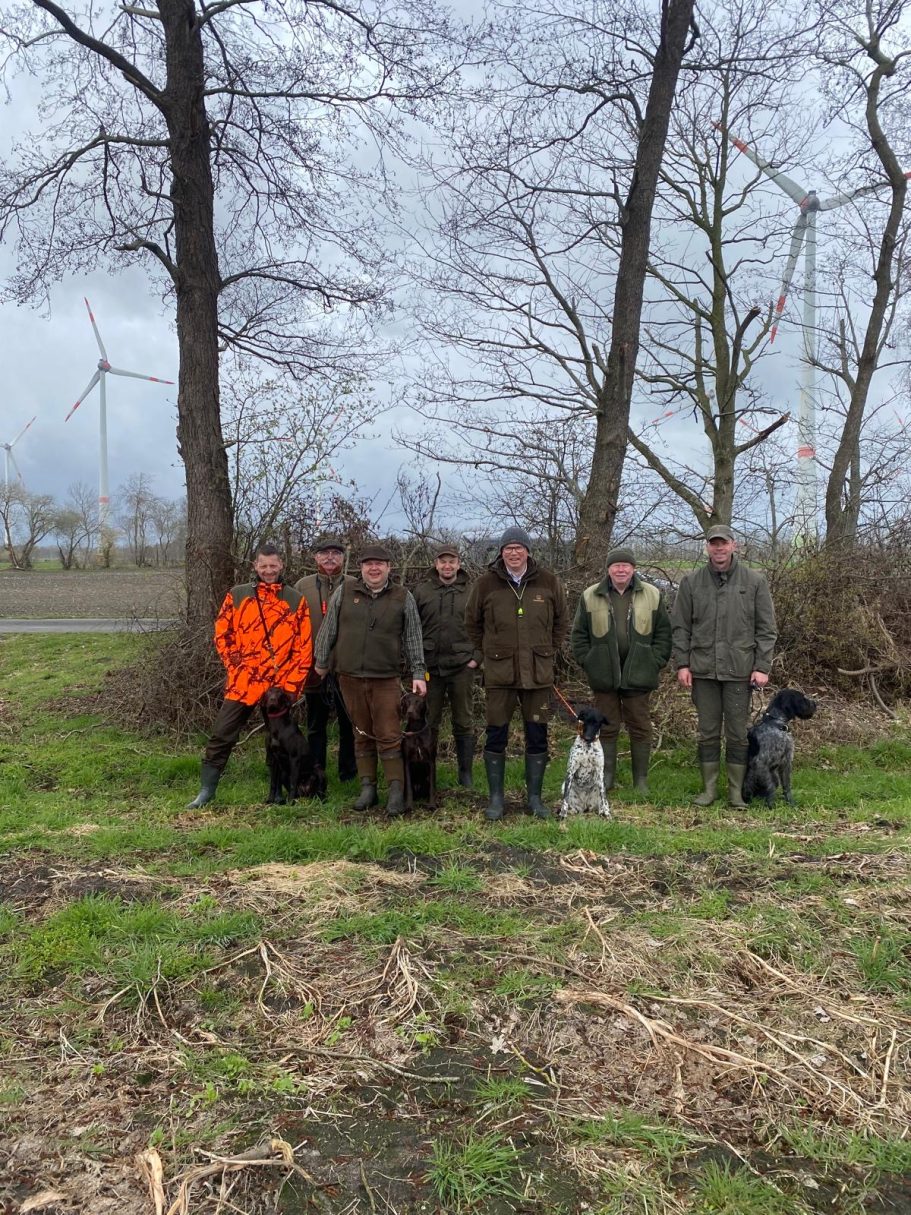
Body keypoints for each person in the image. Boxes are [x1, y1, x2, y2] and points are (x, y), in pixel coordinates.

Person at [187, 543, 313, 808]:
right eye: (263, 565)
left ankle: (278, 790)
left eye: (273, 565)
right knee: (222, 733)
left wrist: (290, 687)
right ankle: (207, 790)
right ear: (255, 566)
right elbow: (223, 634)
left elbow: (303, 648)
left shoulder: (294, 599)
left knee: (279, 739)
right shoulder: (238, 595)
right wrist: (237, 667)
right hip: (244, 682)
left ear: (281, 565)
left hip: (278, 687)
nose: (268, 570)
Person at [314, 544, 426, 816]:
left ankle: (396, 790)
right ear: (361, 568)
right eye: (368, 564)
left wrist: (418, 673)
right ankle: (368, 789)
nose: (373, 568)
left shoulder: (403, 596)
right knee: (361, 733)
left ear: (389, 567)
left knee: (389, 734)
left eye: (379, 564)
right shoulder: (345, 591)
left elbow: (413, 637)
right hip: (349, 676)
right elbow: (329, 629)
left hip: (385, 678)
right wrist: (321, 661)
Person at [465, 526, 568, 821]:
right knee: (496, 733)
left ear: (527, 551)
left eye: (518, 548)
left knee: (538, 734)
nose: (513, 553)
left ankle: (534, 798)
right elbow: (471, 623)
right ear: (501, 552)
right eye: (508, 548)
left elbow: (561, 621)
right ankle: (496, 799)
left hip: (538, 674)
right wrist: (488, 651)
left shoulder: (548, 581)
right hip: (500, 675)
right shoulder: (485, 584)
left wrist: (548, 649)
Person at [671, 524, 777, 807]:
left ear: (733, 545)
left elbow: (766, 629)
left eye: (723, 543)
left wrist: (762, 666)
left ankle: (735, 792)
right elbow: (680, 628)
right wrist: (682, 664)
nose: (719, 548)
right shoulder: (691, 582)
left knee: (737, 733)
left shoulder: (754, 581)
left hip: (739, 670)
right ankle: (709, 790)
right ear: (707, 547)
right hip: (703, 669)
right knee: (707, 731)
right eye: (713, 544)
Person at [571, 547, 672, 796]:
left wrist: (654, 660)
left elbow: (663, 633)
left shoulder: (652, 594)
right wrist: (589, 661)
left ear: (633, 568)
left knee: (640, 725)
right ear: (608, 569)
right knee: (606, 726)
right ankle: (606, 778)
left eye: (626, 565)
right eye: (616, 565)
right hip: (604, 675)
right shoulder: (590, 595)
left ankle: (641, 781)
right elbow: (579, 635)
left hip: (639, 674)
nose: (621, 569)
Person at [412, 543, 480, 788]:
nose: (447, 566)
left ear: (459, 564)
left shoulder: (472, 591)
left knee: (463, 720)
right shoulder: (422, 591)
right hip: (430, 668)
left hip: (463, 666)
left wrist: (477, 658)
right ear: (436, 564)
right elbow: (411, 628)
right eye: (443, 561)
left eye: (452, 561)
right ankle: (428, 773)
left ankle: (465, 773)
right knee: (429, 722)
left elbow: (486, 625)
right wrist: (416, 664)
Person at [294, 536, 357, 787]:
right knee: (315, 725)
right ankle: (316, 771)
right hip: (314, 667)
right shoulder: (302, 586)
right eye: (324, 553)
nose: (330, 558)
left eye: (335, 553)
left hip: (346, 666)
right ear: (316, 557)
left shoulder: (354, 585)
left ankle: (348, 773)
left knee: (348, 723)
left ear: (343, 558)